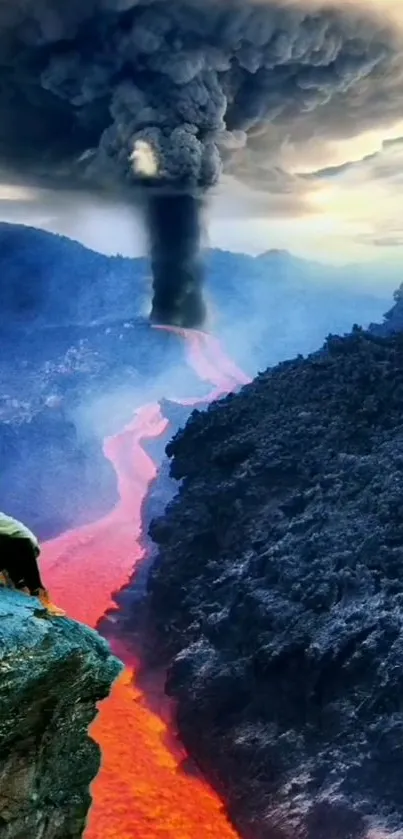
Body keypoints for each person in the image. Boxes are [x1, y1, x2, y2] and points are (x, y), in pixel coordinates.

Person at [0, 511, 65, 617]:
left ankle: (32, 590)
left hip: (22, 550)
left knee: (20, 543)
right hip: (21, 551)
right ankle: (22, 584)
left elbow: (24, 540)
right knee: (20, 544)